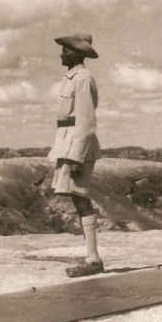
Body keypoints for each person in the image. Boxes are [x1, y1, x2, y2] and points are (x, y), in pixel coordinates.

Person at [47, 33, 103, 277]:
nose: (62, 54)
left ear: (77, 53)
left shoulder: (83, 79)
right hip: (67, 142)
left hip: (76, 146)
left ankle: (92, 260)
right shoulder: (73, 78)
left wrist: (77, 156)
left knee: (80, 198)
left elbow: (87, 121)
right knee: (77, 198)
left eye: (66, 50)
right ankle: (91, 257)